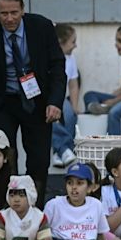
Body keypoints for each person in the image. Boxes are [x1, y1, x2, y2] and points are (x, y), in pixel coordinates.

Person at [0, 0, 67, 209]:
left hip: (37, 101)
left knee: (39, 160)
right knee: (6, 158)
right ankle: (6, 213)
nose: (9, 18)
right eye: (4, 13)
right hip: (2, 101)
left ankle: (36, 212)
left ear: (23, 9)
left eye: (14, 12)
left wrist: (55, 101)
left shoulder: (41, 26)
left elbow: (58, 66)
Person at [43, 163, 121, 240]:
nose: (74, 187)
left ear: (90, 188)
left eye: (79, 183)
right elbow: (43, 230)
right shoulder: (54, 205)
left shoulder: (96, 204)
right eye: (70, 183)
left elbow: (100, 235)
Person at [51, 24, 80, 168]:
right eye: (73, 41)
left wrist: (75, 105)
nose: (75, 45)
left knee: (70, 115)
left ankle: (59, 153)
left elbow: (73, 84)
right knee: (49, 119)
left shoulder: (71, 59)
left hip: (62, 97)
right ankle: (64, 150)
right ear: (60, 42)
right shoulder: (48, 56)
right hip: (47, 97)